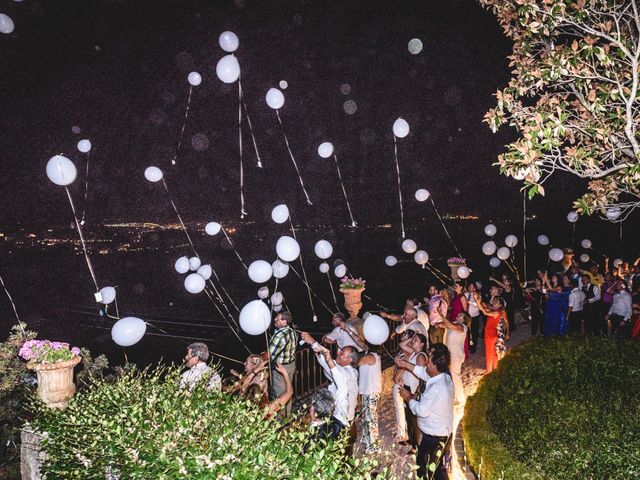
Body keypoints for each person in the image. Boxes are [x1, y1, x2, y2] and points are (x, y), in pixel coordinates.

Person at [397, 344, 454, 480]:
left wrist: (408, 397)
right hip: (439, 434)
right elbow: (422, 373)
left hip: (435, 438)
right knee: (432, 467)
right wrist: (405, 363)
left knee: (428, 470)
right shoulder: (443, 377)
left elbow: (421, 411)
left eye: (428, 361)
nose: (426, 363)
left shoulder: (436, 388)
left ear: (434, 365)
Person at [300, 331, 359, 453]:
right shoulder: (349, 371)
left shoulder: (347, 373)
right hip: (347, 421)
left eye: (342, 353)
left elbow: (331, 368)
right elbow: (328, 364)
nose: (338, 353)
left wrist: (313, 342)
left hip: (342, 424)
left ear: (350, 360)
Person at [396, 333, 429, 454]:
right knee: (408, 415)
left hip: (414, 389)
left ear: (422, 344)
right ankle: (411, 439)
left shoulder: (420, 356)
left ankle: (417, 445)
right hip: (408, 386)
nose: (413, 341)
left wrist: (406, 365)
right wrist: (413, 336)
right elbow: (402, 344)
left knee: (413, 417)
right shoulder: (414, 353)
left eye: (416, 340)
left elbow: (420, 374)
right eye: (413, 340)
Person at [263, 311, 298, 416]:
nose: (274, 320)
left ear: (284, 322)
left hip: (280, 368)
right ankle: (288, 415)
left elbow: (269, 355)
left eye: (277, 319)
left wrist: (261, 359)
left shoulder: (279, 336)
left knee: (280, 395)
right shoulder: (293, 332)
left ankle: (280, 420)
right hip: (291, 365)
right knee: (288, 391)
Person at [436, 311, 469, 405]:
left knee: (455, 375)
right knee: (450, 375)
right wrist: (439, 324)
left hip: (456, 354)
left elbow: (449, 325)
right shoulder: (454, 324)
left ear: (465, 320)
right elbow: (446, 325)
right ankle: (453, 395)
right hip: (450, 354)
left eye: (461, 316)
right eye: (459, 314)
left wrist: (441, 314)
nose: (458, 315)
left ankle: (461, 399)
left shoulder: (462, 327)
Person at [474, 293, 508, 373]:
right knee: (492, 352)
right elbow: (483, 309)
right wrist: (478, 301)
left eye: (496, 302)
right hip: (491, 333)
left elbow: (485, 312)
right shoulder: (495, 311)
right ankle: (494, 367)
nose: (493, 302)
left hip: (490, 334)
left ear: (500, 305)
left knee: (489, 352)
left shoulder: (497, 312)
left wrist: (478, 302)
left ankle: (489, 370)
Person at [357, 348, 382, 454]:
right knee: (371, 418)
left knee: (369, 419)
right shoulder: (373, 355)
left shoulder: (370, 357)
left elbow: (357, 362)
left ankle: (370, 447)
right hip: (370, 392)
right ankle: (374, 444)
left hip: (370, 392)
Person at [465, 283, 482, 353]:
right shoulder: (466, 294)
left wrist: (468, 302)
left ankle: (473, 347)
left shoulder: (477, 295)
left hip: (474, 316)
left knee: (474, 332)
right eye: (469, 286)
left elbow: (477, 304)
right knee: (468, 332)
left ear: (475, 288)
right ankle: (468, 346)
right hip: (467, 316)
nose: (469, 287)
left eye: (471, 286)